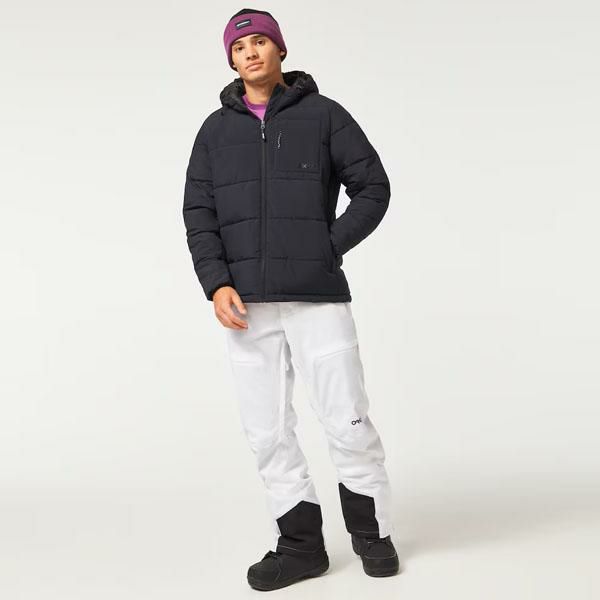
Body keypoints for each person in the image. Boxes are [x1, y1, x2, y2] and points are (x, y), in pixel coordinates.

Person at [182, 7, 399, 591]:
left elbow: (373, 188)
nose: (250, 52)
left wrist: (324, 248)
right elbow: (198, 213)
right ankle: (301, 547)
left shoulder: (325, 116)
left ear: (280, 50)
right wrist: (216, 283)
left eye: (260, 42)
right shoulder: (214, 132)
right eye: (239, 47)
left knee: (347, 418)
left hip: (316, 298)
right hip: (246, 307)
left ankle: (372, 535)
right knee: (267, 431)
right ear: (231, 60)